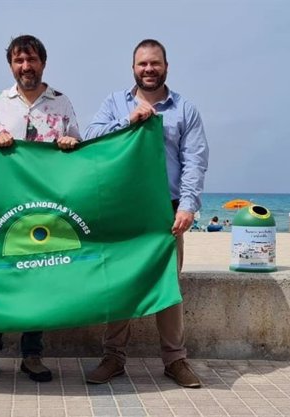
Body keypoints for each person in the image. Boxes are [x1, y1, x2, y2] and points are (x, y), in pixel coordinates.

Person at [0, 35, 81, 385]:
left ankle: (33, 355)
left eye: (32, 59)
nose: (26, 66)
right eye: (18, 60)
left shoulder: (62, 103)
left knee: (38, 277)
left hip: (44, 208)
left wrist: (71, 145)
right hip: (2, 209)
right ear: (11, 65)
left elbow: (78, 153)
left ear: (43, 62)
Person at [83, 39, 208, 388]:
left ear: (166, 66)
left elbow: (195, 161)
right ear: (133, 68)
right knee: (119, 284)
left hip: (165, 214)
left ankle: (174, 360)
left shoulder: (185, 109)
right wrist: (128, 120)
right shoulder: (115, 102)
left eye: (155, 63)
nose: (148, 69)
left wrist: (187, 207)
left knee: (168, 287)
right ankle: (113, 358)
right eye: (142, 64)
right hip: (122, 210)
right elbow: (91, 138)